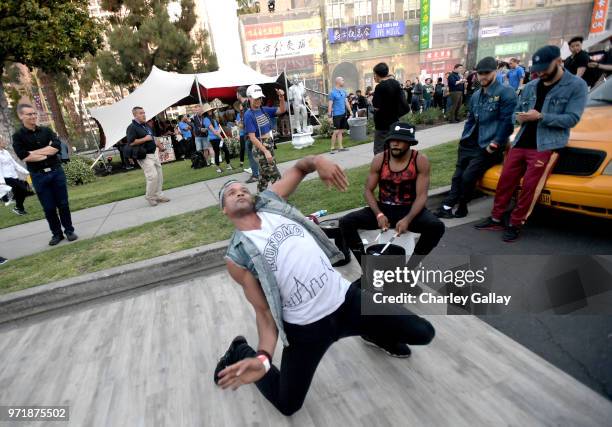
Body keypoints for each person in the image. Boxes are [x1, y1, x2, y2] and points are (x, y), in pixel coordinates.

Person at [214, 155, 435, 416]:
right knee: (288, 404)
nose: (239, 192)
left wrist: (319, 161)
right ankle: (239, 350)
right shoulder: (237, 257)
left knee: (424, 332)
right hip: (306, 329)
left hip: (346, 301)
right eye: (231, 193)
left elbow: (299, 166)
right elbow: (263, 312)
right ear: (224, 210)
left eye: (243, 189)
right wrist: (262, 357)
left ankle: (371, 331)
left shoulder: (270, 201)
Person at [475, 45, 588, 242]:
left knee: (530, 186)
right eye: (537, 70)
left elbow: (572, 119)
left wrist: (541, 116)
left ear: (559, 62)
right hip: (521, 141)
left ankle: (516, 223)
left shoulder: (576, 85)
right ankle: (496, 218)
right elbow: (515, 113)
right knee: (505, 180)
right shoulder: (531, 86)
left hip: (547, 144)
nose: (541, 73)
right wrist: (520, 117)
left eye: (545, 68)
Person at [339, 122, 445, 271]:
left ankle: (409, 270)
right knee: (346, 222)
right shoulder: (380, 159)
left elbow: (422, 196)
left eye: (400, 140)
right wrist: (379, 214)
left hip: (409, 210)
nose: (395, 143)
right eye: (392, 140)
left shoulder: (420, 160)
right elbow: (368, 190)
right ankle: (366, 267)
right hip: (384, 208)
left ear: (409, 142)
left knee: (436, 227)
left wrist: (408, 219)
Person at [436, 57, 517, 219]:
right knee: (457, 176)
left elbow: (507, 123)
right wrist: (464, 138)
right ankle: (446, 206)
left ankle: (463, 206)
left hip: (488, 145)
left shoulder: (506, 92)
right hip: (469, 142)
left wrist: (495, 143)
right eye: (480, 73)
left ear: (496, 71)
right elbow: (471, 120)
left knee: (467, 177)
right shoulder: (476, 95)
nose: (482, 77)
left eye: (487, 73)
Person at [12, 104, 78, 245]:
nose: (33, 116)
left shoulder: (47, 131)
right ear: (21, 116)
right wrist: (44, 151)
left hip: (56, 172)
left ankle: (69, 231)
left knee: (63, 204)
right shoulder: (18, 136)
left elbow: (56, 147)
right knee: (48, 207)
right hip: (38, 176)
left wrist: (35, 152)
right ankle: (56, 234)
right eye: (29, 114)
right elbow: (24, 156)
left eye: (34, 113)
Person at [243, 84, 287, 193]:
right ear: (249, 98)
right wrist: (266, 151)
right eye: (256, 98)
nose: (258, 100)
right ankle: (281, 198)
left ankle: (259, 198)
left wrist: (281, 98)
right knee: (274, 174)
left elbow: (282, 110)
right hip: (260, 148)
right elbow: (252, 138)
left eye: (260, 97)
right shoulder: (248, 115)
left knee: (264, 176)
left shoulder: (264, 110)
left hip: (268, 144)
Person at [126, 106, 169, 207]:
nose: (143, 115)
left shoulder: (146, 126)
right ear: (135, 115)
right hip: (144, 155)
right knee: (152, 176)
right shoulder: (132, 127)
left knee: (159, 175)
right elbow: (131, 143)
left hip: (154, 153)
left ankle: (158, 195)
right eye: (141, 113)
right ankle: (150, 197)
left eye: (144, 113)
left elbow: (153, 138)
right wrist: (145, 139)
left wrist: (160, 147)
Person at [372, 63, 409, 155]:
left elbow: (376, 106)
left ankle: (382, 168)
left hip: (382, 124)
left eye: (374, 74)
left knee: (379, 150)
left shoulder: (379, 87)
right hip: (394, 120)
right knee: (392, 147)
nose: (374, 77)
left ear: (377, 74)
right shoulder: (395, 83)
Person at [0, 135, 30, 215]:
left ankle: (19, 208)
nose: (4, 141)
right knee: (23, 189)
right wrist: (2, 182)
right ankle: (12, 202)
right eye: (2, 140)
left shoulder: (6, 152)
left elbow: (14, 164)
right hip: (7, 177)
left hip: (14, 176)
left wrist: (27, 172)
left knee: (21, 191)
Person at [203, 105, 232, 174]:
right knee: (217, 152)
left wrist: (219, 131)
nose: (210, 111)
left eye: (210, 110)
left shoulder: (214, 118)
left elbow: (218, 127)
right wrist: (220, 136)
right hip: (213, 138)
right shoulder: (206, 119)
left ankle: (228, 165)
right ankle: (218, 168)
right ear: (206, 112)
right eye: (208, 111)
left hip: (218, 137)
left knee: (226, 151)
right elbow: (213, 130)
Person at [235, 101, 259, 184]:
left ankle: (256, 175)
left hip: (249, 137)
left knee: (252, 156)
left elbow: (243, 126)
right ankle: (257, 173)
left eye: (241, 106)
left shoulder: (247, 114)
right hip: (251, 136)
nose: (240, 108)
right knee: (255, 155)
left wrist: (239, 124)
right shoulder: (249, 113)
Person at [328, 76, 352, 154]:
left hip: (343, 114)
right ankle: (332, 148)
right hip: (336, 115)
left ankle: (340, 147)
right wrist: (329, 116)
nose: (343, 81)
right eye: (342, 80)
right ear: (338, 81)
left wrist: (350, 111)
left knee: (341, 131)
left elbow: (346, 102)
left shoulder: (343, 91)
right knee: (336, 131)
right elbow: (330, 105)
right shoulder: (332, 92)